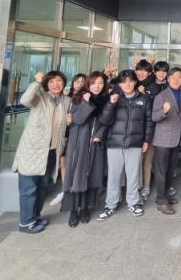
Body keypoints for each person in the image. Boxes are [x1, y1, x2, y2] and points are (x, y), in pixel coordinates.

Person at [13, 71, 70, 233]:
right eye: (51, 81)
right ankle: (26, 222)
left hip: (52, 151)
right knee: (29, 188)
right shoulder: (40, 96)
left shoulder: (66, 101)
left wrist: (69, 121)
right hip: (33, 150)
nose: (55, 84)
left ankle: (35, 217)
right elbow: (24, 100)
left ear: (64, 82)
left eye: (59, 81)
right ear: (46, 84)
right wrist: (37, 83)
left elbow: (63, 123)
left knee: (43, 186)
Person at [98, 70, 153, 220]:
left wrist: (146, 140)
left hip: (135, 143)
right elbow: (104, 120)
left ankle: (134, 203)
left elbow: (148, 122)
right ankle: (111, 204)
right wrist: (111, 103)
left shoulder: (144, 99)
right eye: (123, 81)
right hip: (114, 143)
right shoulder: (114, 97)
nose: (127, 84)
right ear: (120, 84)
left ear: (135, 82)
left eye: (130, 81)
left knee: (133, 175)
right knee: (113, 176)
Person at [62, 72, 108, 227]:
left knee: (90, 174)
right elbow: (78, 119)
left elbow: (106, 122)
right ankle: (73, 210)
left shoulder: (104, 100)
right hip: (78, 143)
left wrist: (99, 135)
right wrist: (86, 103)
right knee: (75, 175)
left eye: (100, 83)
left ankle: (85, 208)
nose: (97, 86)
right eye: (94, 83)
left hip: (94, 143)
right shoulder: (78, 98)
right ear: (88, 84)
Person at [151, 68, 181, 215]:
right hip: (163, 139)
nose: (176, 79)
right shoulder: (161, 96)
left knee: (170, 170)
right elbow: (154, 117)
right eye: (173, 77)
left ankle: (165, 196)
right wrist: (164, 111)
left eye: (179, 77)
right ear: (168, 79)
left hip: (175, 138)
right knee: (161, 171)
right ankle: (161, 201)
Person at [50, 72, 86, 207]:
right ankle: (64, 190)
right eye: (77, 81)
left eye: (82, 81)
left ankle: (71, 189)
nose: (79, 84)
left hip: (74, 133)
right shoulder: (66, 95)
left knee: (72, 162)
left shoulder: (84, 96)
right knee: (62, 161)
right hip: (62, 133)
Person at [139, 60, 169, 202]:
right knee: (148, 160)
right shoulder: (148, 87)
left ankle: (164, 186)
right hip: (151, 128)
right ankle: (146, 186)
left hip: (165, 129)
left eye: (164, 71)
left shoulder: (170, 86)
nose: (162, 74)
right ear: (154, 72)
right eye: (159, 71)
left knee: (162, 160)